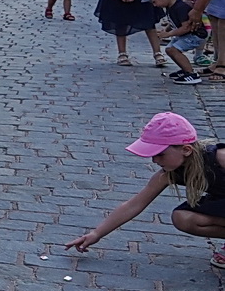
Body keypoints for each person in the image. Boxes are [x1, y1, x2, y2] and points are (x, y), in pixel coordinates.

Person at [65, 112, 225, 267]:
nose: (154, 160)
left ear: (186, 150)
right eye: (152, 155)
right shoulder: (167, 174)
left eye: (160, 154)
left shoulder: (219, 158)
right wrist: (96, 234)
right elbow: (133, 205)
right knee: (181, 217)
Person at [146, 0, 211, 84]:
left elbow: (186, 28)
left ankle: (191, 74)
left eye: (154, 1)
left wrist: (168, 34)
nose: (154, 5)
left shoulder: (180, 8)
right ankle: (185, 69)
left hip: (195, 35)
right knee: (169, 49)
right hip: (186, 34)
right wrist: (166, 29)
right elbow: (173, 21)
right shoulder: (170, 7)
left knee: (173, 49)